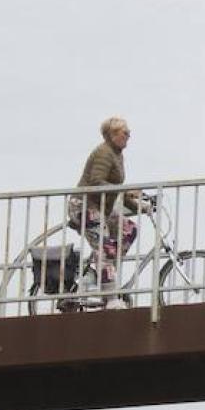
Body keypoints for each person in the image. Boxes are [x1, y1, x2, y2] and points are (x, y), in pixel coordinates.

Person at [70, 117, 149, 292]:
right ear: (112, 134)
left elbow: (118, 190)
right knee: (106, 249)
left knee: (128, 229)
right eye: (125, 132)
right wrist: (127, 192)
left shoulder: (118, 154)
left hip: (101, 209)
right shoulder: (104, 152)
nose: (129, 135)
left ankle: (102, 272)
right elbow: (96, 181)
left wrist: (141, 208)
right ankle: (110, 297)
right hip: (85, 207)